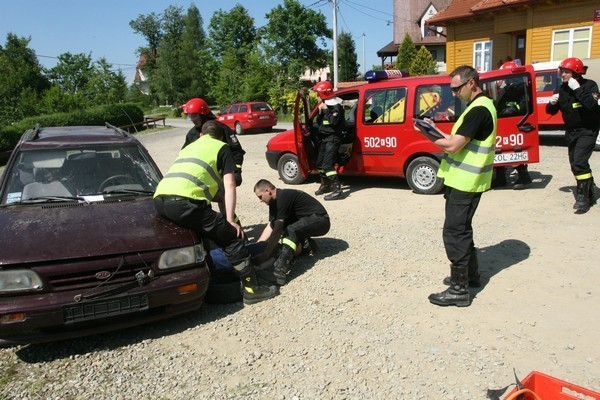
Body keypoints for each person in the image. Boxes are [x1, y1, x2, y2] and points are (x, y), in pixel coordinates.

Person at [153, 120, 278, 305]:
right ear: (220, 137)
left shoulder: (189, 147)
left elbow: (192, 181)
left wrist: (216, 198)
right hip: (184, 202)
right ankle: (253, 290)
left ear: (202, 135)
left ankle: (211, 279)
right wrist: (229, 219)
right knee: (232, 237)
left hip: (160, 200)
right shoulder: (222, 147)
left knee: (201, 236)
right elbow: (230, 184)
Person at [414, 65, 497, 307]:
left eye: (457, 88)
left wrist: (426, 133)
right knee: (462, 229)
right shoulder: (480, 107)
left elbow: (452, 146)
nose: (454, 93)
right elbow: (455, 141)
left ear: (472, 83)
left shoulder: (478, 110)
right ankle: (470, 277)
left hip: (465, 182)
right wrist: (434, 129)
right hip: (465, 181)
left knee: (454, 232)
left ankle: (459, 289)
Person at [546, 57, 600, 214]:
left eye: (566, 71)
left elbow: (592, 106)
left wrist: (577, 89)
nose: (562, 74)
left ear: (576, 72)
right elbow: (550, 112)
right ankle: (589, 188)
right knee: (575, 164)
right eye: (561, 71)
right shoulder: (561, 89)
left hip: (588, 130)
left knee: (579, 162)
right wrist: (552, 103)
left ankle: (583, 198)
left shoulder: (590, 85)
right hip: (571, 132)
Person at [254, 179, 331, 286]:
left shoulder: (283, 197)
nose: (260, 200)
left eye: (260, 196)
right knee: (288, 229)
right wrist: (257, 246)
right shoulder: (273, 203)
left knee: (290, 230)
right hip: (307, 220)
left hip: (320, 220)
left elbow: (277, 231)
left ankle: (281, 268)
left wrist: (266, 254)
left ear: (267, 191)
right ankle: (306, 245)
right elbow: (271, 226)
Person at [181, 98, 245, 187]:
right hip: (201, 174)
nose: (192, 119)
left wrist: (236, 171)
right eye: (190, 116)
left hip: (221, 174)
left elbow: (236, 152)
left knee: (224, 197)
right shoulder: (192, 134)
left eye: (194, 116)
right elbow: (185, 154)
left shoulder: (221, 129)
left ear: (203, 115)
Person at [493, 61, 532, 190]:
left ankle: (524, 177)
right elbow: (499, 104)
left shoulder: (520, 89)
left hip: (512, 122)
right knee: (499, 150)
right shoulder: (508, 89)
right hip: (503, 121)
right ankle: (500, 179)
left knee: (514, 151)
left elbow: (524, 106)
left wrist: (511, 110)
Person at [312, 81, 345, 201]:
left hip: (333, 139)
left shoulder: (336, 107)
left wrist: (326, 111)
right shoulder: (325, 105)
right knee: (320, 164)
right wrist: (321, 113)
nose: (316, 97)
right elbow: (322, 124)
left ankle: (337, 190)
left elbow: (333, 122)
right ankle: (325, 185)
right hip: (325, 138)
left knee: (327, 165)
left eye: (318, 94)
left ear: (323, 93)